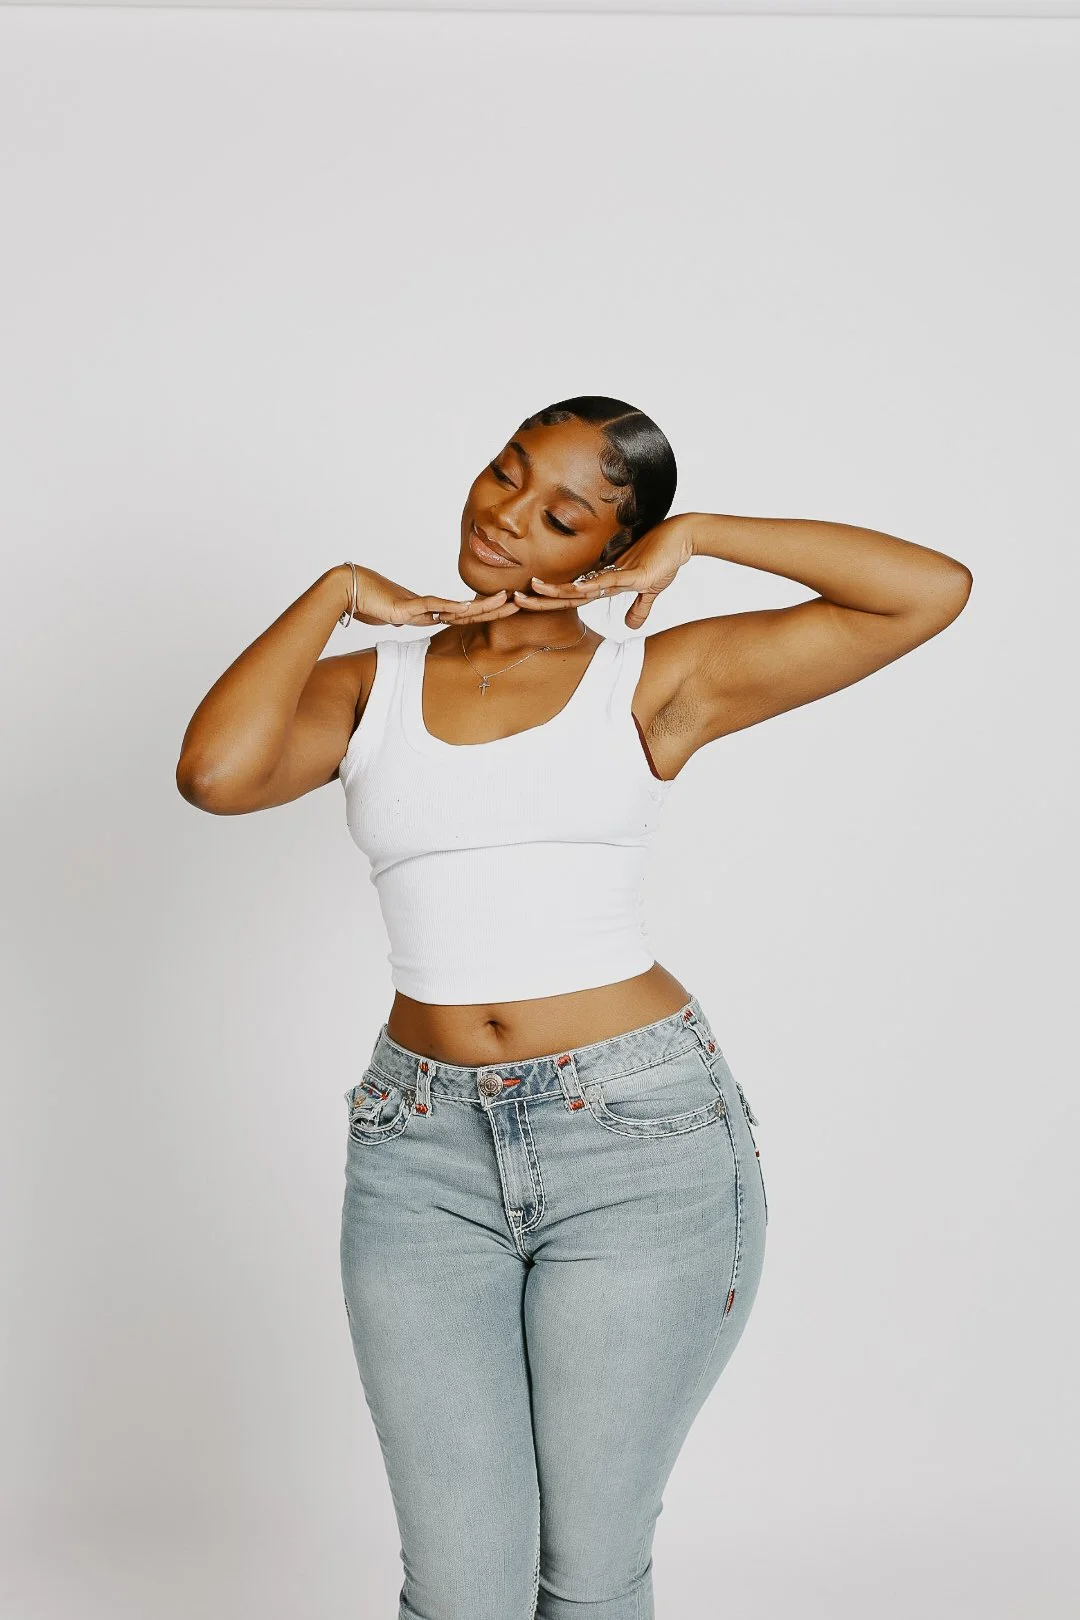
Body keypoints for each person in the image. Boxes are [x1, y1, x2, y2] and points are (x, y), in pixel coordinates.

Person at [176, 395, 972, 1620]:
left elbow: (926, 590)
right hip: (419, 1150)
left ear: (607, 550)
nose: (507, 515)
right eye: (506, 474)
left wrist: (700, 533)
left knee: (589, 1575)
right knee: (459, 1589)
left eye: (562, 513)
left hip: (637, 1142)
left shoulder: (654, 678)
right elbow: (216, 775)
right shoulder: (369, 683)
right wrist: (335, 590)